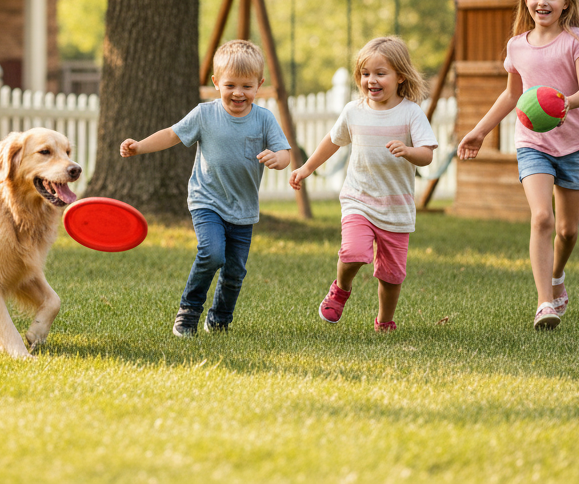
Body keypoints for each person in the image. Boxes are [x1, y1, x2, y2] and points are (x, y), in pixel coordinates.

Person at [456, 0, 579, 330]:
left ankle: (557, 276)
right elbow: (512, 95)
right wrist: (479, 131)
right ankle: (545, 303)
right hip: (532, 144)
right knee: (542, 217)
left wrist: (564, 102)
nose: (542, 2)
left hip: (573, 144)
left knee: (567, 232)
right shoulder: (517, 46)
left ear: (566, 2)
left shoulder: (576, 42)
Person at [120, 39, 292, 337]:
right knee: (212, 254)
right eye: (231, 85)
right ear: (216, 83)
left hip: (243, 209)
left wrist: (278, 158)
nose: (238, 93)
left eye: (247, 86)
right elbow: (172, 135)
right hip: (207, 201)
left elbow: (286, 154)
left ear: (259, 85)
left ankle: (220, 319)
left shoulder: (264, 119)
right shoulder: (204, 114)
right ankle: (188, 312)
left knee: (235, 272)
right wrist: (139, 147)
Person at [289, 36, 437, 332]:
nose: (371, 80)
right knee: (354, 252)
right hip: (359, 199)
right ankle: (341, 289)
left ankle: (384, 321)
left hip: (396, 208)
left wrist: (409, 151)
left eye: (380, 73)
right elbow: (332, 142)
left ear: (400, 77)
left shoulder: (411, 113)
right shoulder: (353, 111)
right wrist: (306, 167)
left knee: (391, 275)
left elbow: (427, 155)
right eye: (365, 73)